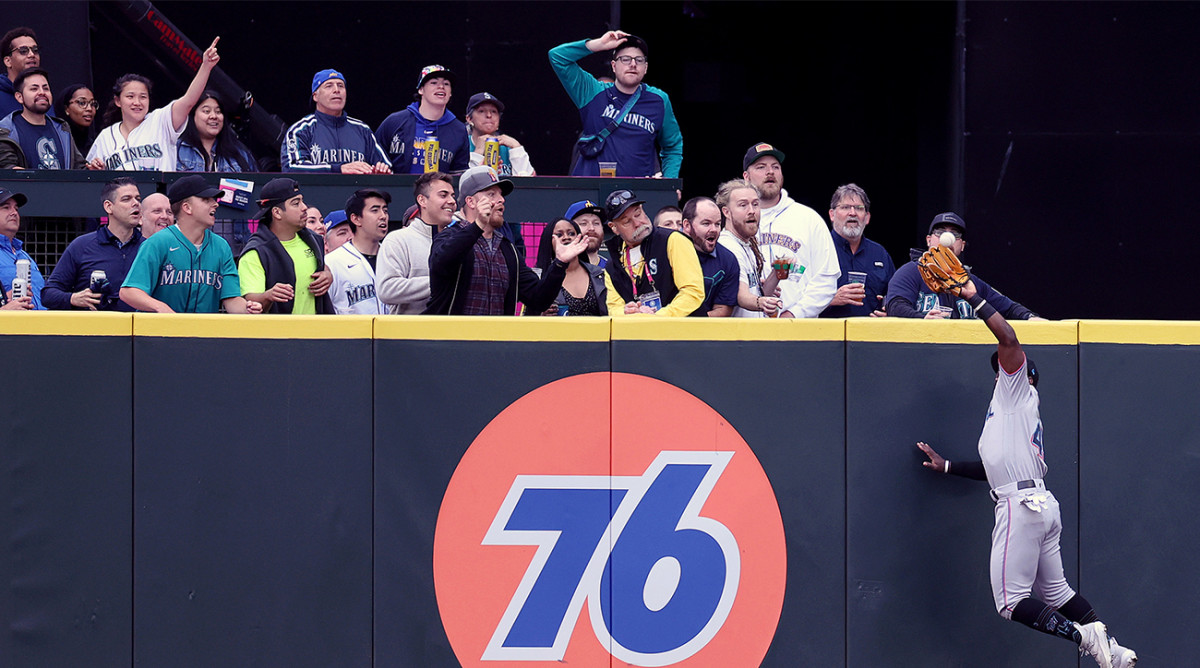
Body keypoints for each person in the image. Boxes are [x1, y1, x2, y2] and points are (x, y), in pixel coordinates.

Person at [916, 277, 1137, 668]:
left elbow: (1009, 339)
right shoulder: (1011, 410)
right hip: (1039, 502)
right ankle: (1113, 649)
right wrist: (947, 465)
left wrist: (973, 296)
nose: (1000, 370)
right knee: (1057, 592)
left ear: (1021, 374)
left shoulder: (1016, 389)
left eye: (1005, 369)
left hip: (1020, 505)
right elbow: (994, 467)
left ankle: (1084, 636)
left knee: (1010, 601)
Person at [425, 165, 585, 315]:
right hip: (452, 341)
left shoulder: (508, 249)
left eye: (501, 194)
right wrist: (478, 225)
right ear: (471, 202)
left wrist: (559, 264)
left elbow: (538, 300)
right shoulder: (449, 235)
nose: (501, 199)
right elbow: (442, 262)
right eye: (491, 194)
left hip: (495, 343)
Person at [549, 31, 682, 178]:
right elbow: (557, 57)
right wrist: (598, 44)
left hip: (637, 194)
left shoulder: (659, 100)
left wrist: (669, 182)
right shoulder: (593, 92)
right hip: (592, 192)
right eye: (625, 59)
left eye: (639, 60)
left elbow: (672, 146)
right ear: (613, 66)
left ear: (646, 68)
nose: (633, 64)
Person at [119, 175, 259, 313]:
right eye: (206, 200)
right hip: (159, 333)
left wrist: (247, 309)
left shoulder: (221, 246)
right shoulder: (157, 243)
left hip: (201, 333)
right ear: (187, 208)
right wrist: (159, 307)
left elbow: (232, 299)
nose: (215, 204)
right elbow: (129, 292)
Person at [87, 37, 223, 171]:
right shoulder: (106, 136)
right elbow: (89, 175)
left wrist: (206, 67)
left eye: (143, 97)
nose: (137, 102)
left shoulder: (160, 120)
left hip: (159, 193)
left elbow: (188, 101)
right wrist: (96, 169)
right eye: (130, 96)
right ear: (118, 101)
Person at [741, 142, 840, 317]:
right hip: (746, 331)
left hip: (797, 332)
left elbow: (826, 278)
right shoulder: (735, 222)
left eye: (775, 167)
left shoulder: (808, 219)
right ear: (746, 177)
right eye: (761, 167)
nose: (770, 172)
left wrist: (795, 313)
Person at [885, 212, 1043, 320]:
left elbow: (1008, 307)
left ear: (962, 245)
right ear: (928, 240)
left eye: (955, 234)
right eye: (940, 232)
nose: (948, 238)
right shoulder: (910, 272)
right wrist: (922, 318)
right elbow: (895, 306)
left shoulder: (970, 281)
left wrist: (1031, 318)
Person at [43, 177, 145, 311]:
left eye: (138, 198)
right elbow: (48, 294)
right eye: (126, 199)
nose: (135, 203)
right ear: (109, 206)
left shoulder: (149, 247)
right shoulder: (82, 245)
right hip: (93, 329)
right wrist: (73, 299)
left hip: (139, 329)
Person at [238, 177, 333, 314]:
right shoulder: (255, 252)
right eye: (296, 203)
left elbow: (318, 267)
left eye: (302, 201)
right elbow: (250, 302)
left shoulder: (314, 240)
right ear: (277, 212)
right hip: (279, 334)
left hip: (316, 333)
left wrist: (328, 274)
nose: (305, 207)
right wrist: (268, 295)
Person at [602, 188, 703, 316]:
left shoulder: (673, 240)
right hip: (638, 333)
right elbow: (614, 308)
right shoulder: (613, 264)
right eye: (627, 221)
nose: (638, 223)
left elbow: (693, 292)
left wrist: (657, 318)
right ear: (614, 228)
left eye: (638, 214)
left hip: (682, 332)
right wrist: (628, 313)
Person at [281, 69, 391, 174]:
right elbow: (291, 168)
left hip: (357, 192)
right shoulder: (300, 130)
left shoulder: (362, 130)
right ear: (315, 96)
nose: (336, 90)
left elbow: (387, 167)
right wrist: (338, 169)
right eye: (328, 86)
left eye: (341, 86)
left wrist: (381, 170)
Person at [377, 171, 456, 315]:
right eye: (443, 195)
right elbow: (386, 290)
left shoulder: (457, 242)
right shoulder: (398, 239)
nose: (451, 201)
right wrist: (437, 282)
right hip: (409, 334)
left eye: (453, 195)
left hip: (453, 333)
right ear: (422, 200)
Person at [376, 65, 469, 174]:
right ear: (421, 89)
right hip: (396, 189)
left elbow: (459, 174)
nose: (441, 87)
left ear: (451, 93)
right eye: (434, 83)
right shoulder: (395, 121)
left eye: (446, 84)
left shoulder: (459, 130)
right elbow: (374, 157)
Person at [821, 184, 895, 318]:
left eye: (859, 208)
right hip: (826, 334)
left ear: (867, 217)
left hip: (871, 334)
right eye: (845, 207)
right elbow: (796, 297)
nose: (852, 213)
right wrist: (830, 300)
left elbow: (895, 296)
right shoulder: (818, 248)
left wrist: (888, 311)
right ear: (832, 214)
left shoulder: (880, 253)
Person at [715, 179, 784, 318]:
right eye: (743, 205)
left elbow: (756, 292)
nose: (752, 211)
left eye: (755, 204)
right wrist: (762, 303)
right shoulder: (728, 246)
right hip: (737, 337)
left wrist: (777, 273)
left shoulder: (746, 243)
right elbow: (741, 296)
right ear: (726, 212)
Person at [0, 68, 86, 169]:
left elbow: (79, 168)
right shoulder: (7, 130)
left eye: (46, 88)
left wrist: (91, 169)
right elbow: (7, 169)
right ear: (19, 97)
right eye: (34, 89)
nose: (42, 93)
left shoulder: (62, 129)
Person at [326, 188, 389, 315]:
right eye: (375, 210)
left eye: (385, 210)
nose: (383, 216)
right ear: (356, 219)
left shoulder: (394, 257)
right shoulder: (332, 263)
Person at [680, 196, 739, 317]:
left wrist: (690, 324)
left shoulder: (728, 260)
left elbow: (723, 309)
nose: (714, 229)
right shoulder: (668, 251)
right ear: (686, 225)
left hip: (704, 332)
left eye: (717, 224)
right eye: (706, 223)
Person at [534, 218, 605, 316]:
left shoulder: (600, 274)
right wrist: (540, 316)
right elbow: (526, 320)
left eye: (571, 233)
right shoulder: (540, 279)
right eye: (559, 235)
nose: (566, 237)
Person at [176, 89, 255, 172]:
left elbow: (257, 183)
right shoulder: (176, 149)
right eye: (206, 111)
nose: (214, 116)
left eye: (218, 112)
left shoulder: (240, 153)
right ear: (193, 115)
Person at [465, 92, 534, 176]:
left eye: (494, 111)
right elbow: (463, 183)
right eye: (481, 111)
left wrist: (516, 147)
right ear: (469, 119)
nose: (489, 115)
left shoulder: (508, 147)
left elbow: (528, 181)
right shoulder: (462, 144)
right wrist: (478, 152)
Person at [0, 187, 45, 309]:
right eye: (6, 207)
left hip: (42, 325)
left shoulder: (24, 255)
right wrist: (3, 308)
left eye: (16, 208)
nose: (14, 212)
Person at [1, 27, 39, 118]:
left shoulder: (43, 95)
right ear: (8, 61)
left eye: (35, 50)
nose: (32, 55)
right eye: (23, 51)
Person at [565, 199, 608, 268]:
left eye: (596, 223)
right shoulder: (558, 270)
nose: (591, 228)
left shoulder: (614, 270)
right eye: (583, 223)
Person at [55, 83, 97, 155]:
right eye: (82, 103)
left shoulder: (95, 143)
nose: (89, 109)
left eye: (92, 104)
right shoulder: (57, 142)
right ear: (66, 109)